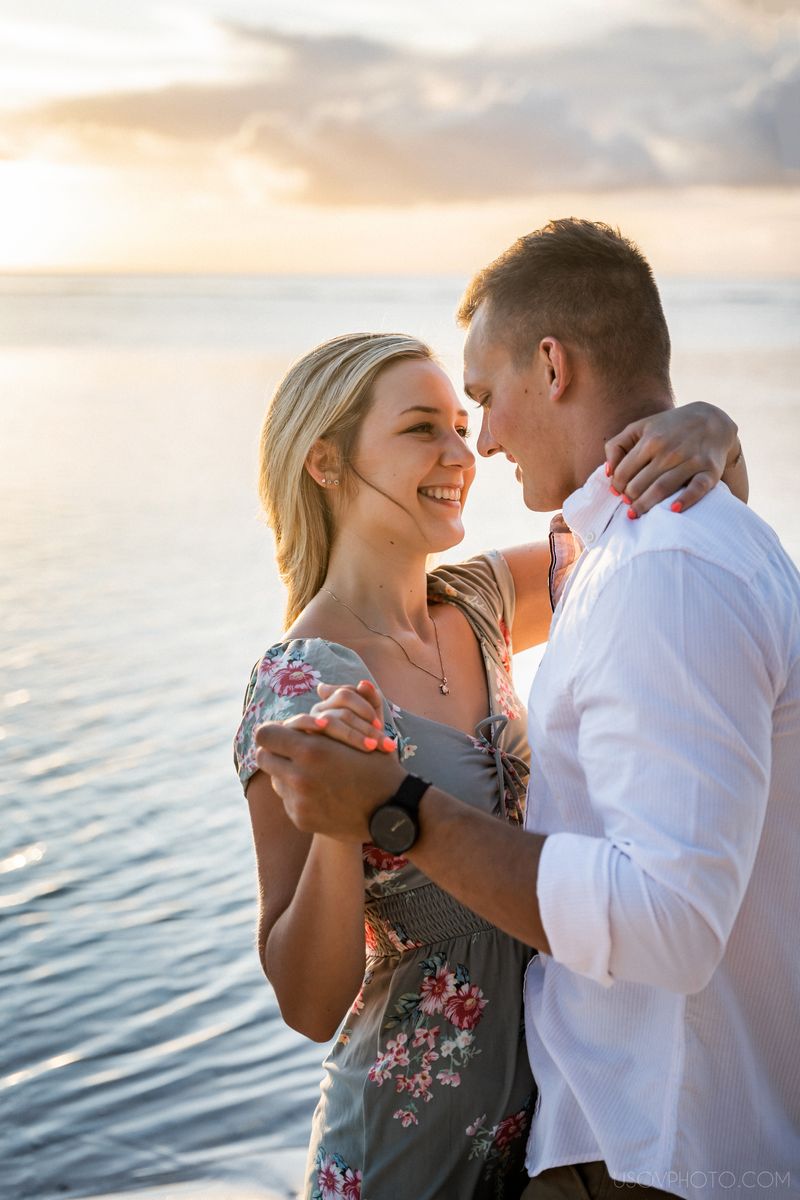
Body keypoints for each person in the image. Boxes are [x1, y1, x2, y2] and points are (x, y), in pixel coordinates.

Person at [253, 221, 800, 1198]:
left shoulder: (480, 603)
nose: (468, 447)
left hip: (546, 1128)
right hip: (404, 1145)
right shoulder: (297, 684)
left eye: (464, 419)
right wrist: (347, 823)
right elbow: (306, 997)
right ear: (326, 465)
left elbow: (647, 538)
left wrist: (712, 429)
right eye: (424, 427)